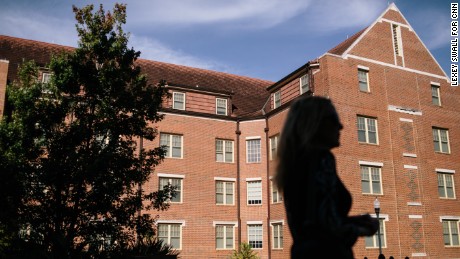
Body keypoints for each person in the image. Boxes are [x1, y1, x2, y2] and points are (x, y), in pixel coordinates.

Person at [275, 96, 379, 259]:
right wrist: (364, 228)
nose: (340, 126)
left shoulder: (294, 163)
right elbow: (327, 230)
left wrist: (353, 221)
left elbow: (315, 222)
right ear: (315, 123)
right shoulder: (321, 158)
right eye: (333, 119)